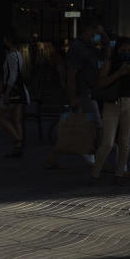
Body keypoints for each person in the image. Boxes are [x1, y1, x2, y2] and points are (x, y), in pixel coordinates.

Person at [44, 23, 104, 166]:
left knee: (78, 125)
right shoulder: (78, 48)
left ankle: (55, 156)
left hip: (88, 91)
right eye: (97, 32)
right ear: (89, 30)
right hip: (83, 92)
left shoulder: (89, 47)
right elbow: (71, 73)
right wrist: (73, 96)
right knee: (96, 125)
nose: (98, 35)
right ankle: (98, 156)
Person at [89, 37, 130, 185]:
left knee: (124, 142)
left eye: (129, 50)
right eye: (123, 50)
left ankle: (120, 173)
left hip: (129, 103)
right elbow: (101, 82)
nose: (126, 53)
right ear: (117, 50)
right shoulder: (110, 63)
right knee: (108, 142)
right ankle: (95, 172)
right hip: (112, 104)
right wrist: (119, 73)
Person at [0, 27, 30, 158]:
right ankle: (18, 148)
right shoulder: (19, 54)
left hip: (12, 92)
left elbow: (12, 76)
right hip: (19, 91)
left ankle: (17, 140)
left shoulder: (11, 56)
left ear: (9, 41)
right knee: (16, 120)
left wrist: (7, 93)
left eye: (5, 39)